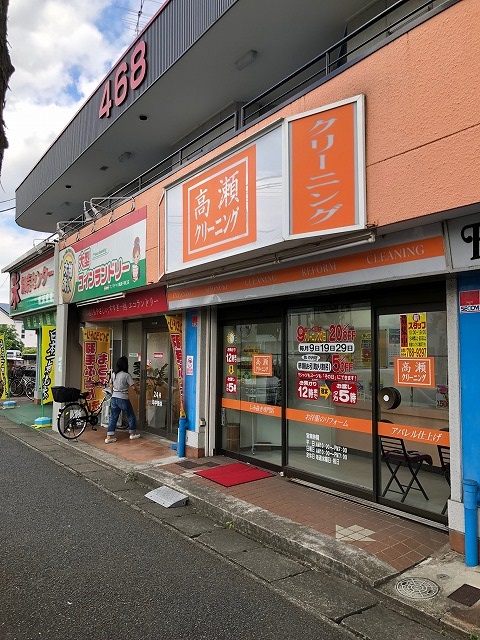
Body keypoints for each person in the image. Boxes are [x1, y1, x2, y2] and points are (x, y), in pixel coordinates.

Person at [105, 356, 140, 444]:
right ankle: (132, 434)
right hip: (123, 398)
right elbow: (133, 387)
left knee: (113, 417)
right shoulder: (126, 375)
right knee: (130, 415)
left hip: (114, 398)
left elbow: (110, 384)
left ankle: (108, 437)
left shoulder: (114, 374)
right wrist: (138, 391)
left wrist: (113, 391)